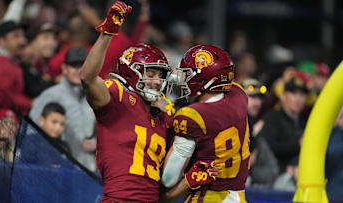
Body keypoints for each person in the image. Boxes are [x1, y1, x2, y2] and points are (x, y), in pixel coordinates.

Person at [79, 2, 216, 202]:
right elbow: (87, 78)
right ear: (131, 71)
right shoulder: (117, 98)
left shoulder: (164, 120)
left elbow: (161, 196)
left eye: (160, 76)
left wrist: (189, 182)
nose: (156, 82)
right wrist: (108, 32)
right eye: (150, 74)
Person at [161, 45, 250, 202]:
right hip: (238, 196)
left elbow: (169, 178)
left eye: (187, 74)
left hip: (207, 197)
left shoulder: (192, 116)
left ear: (203, 79)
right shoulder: (239, 93)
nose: (183, 80)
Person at [29, 46, 96, 171]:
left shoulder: (95, 97)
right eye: (73, 66)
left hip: (88, 172)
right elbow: (30, 132)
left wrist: (97, 143)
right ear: (64, 69)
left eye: (83, 66)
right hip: (54, 170)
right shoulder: (50, 95)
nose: (79, 70)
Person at [258, 77, 308, 173]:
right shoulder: (272, 117)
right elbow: (269, 147)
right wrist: (298, 144)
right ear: (283, 96)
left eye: (302, 94)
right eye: (293, 93)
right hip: (275, 176)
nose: (298, 99)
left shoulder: (304, 122)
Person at [0, 20, 31, 115]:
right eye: (16, 36)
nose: (22, 41)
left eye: (22, 35)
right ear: (1, 41)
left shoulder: (8, 61)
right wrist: (29, 103)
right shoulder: (0, 62)